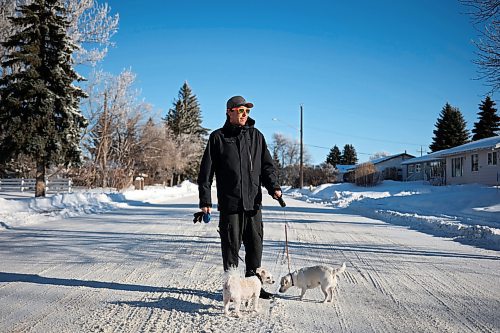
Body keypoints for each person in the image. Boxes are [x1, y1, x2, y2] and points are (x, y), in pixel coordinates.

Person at [197, 95, 282, 299]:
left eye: (247, 111)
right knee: (230, 248)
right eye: (240, 110)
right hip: (230, 205)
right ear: (229, 112)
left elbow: (267, 167)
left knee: (255, 246)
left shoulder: (256, 136)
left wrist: (274, 187)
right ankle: (232, 289)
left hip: (253, 204)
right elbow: (206, 172)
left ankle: (254, 287)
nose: (245, 114)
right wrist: (205, 201)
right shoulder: (218, 138)